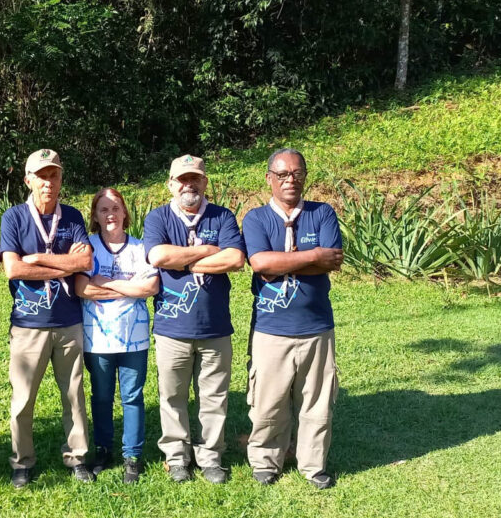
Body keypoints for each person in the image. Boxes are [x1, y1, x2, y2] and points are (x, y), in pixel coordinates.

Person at [241, 148, 343, 489]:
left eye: (297, 174)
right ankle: (266, 462)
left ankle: (313, 466)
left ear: (305, 177)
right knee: (268, 403)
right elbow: (260, 264)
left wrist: (281, 261)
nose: (290, 181)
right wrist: (313, 255)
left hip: (316, 328)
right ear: (269, 178)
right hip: (272, 330)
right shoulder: (256, 219)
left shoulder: (322, 214)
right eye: (283, 174)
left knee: (317, 402)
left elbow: (333, 261)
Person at [143, 154, 246, 484]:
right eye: (182, 180)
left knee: (213, 396)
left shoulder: (222, 216)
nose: (190, 185)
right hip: (172, 327)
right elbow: (158, 255)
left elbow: (235, 259)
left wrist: (181, 262)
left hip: (214, 325)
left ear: (205, 182)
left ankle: (211, 456)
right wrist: (206, 251)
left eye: (196, 179)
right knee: (172, 396)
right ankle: (176, 457)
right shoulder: (158, 217)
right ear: (171, 185)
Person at [0, 148, 95, 488]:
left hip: (68, 321)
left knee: (73, 395)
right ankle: (22, 462)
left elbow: (84, 262)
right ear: (28, 180)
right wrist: (62, 262)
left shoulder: (71, 217)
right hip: (28, 325)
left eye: (53, 174)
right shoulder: (13, 218)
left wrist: (39, 258)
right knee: (23, 400)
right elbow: (13, 268)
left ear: (60, 179)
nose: (48, 182)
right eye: (41, 176)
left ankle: (77, 457)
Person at [76, 188, 159, 484]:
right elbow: (82, 289)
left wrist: (106, 282)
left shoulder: (140, 248)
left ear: (125, 212)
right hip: (97, 336)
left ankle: (132, 455)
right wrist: (128, 286)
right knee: (101, 397)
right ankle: (103, 449)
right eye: (103, 210)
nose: (110, 214)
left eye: (115, 208)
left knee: (133, 396)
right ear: (95, 217)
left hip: (133, 336)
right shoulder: (88, 247)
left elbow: (149, 288)